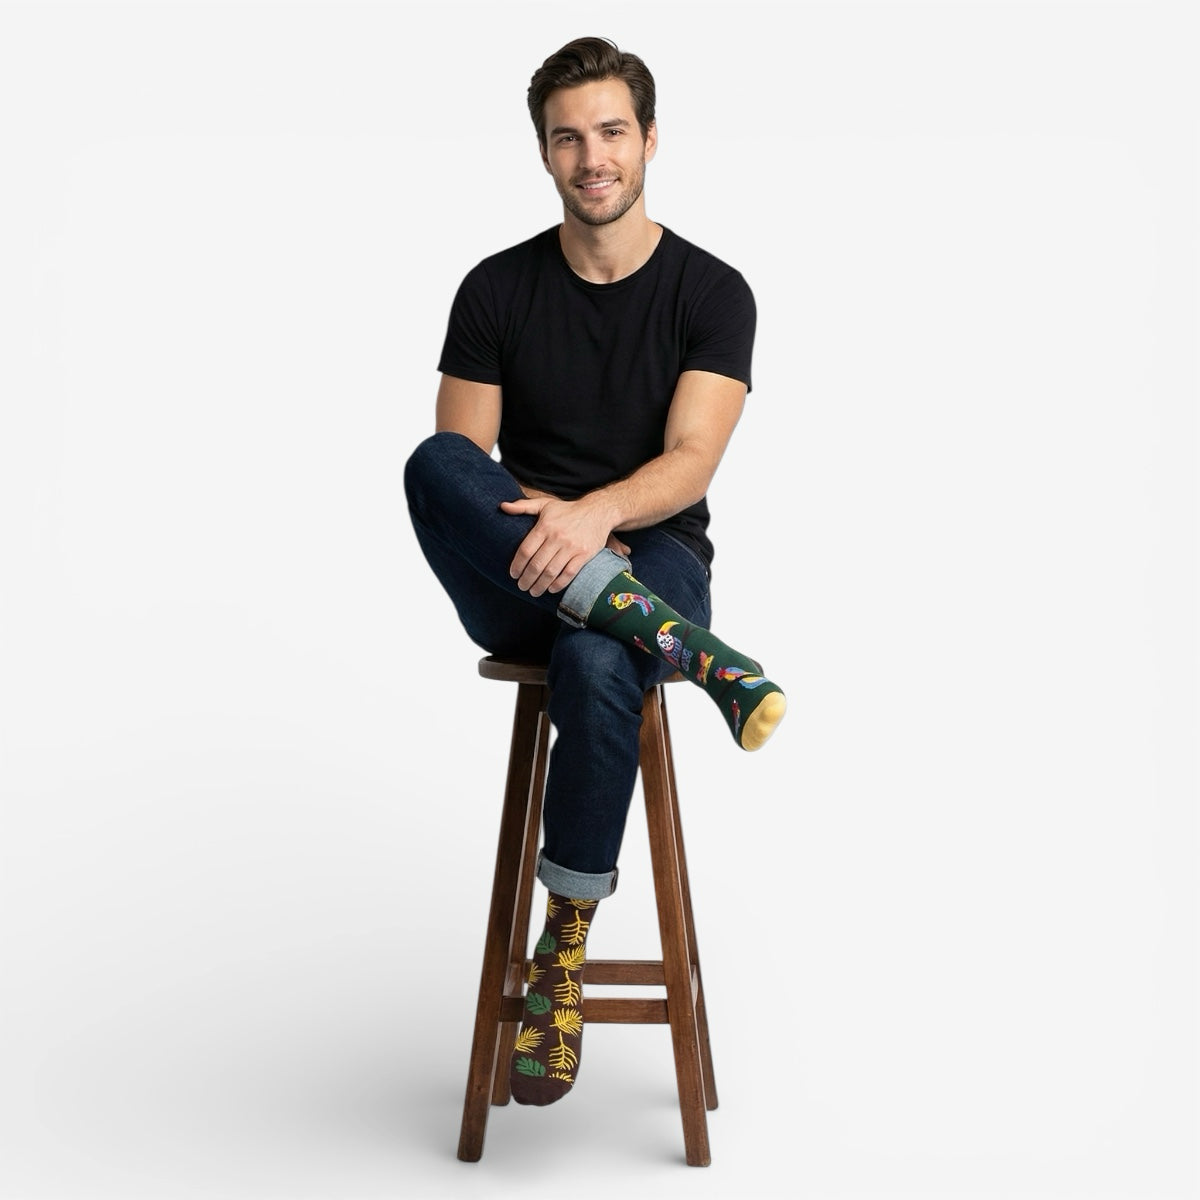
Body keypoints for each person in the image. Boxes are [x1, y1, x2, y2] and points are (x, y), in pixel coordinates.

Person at [403, 35, 785, 1107]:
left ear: (649, 141)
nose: (593, 157)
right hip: (521, 565)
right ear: (544, 154)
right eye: (569, 137)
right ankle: (695, 658)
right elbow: (465, 472)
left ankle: (560, 951)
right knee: (430, 462)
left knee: (600, 657)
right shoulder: (494, 289)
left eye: (612, 132)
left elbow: (692, 461)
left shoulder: (712, 292)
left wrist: (595, 520)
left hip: (655, 553)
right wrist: (558, 538)